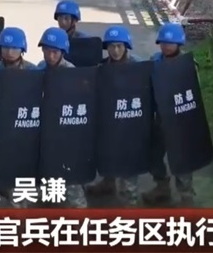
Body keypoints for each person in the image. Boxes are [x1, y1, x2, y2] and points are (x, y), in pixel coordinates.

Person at [86, 25, 142, 206]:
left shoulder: (138, 67)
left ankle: (131, 203)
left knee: (128, 165)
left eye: (119, 46)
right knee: (107, 154)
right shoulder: (101, 68)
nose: (115, 50)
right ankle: (108, 182)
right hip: (109, 121)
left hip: (131, 123)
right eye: (111, 46)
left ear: (126, 46)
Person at [145, 22, 195, 206]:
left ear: (179, 43)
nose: (166, 46)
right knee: (153, 153)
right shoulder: (154, 60)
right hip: (159, 118)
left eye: (170, 43)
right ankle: (161, 186)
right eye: (163, 42)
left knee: (181, 158)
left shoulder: (187, 64)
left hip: (180, 120)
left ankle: (186, 195)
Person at [35, 27, 85, 209]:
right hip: (46, 130)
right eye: (46, 51)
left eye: (54, 52)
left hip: (66, 133)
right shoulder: (40, 68)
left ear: (63, 52)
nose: (50, 56)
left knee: (70, 181)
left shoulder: (72, 73)